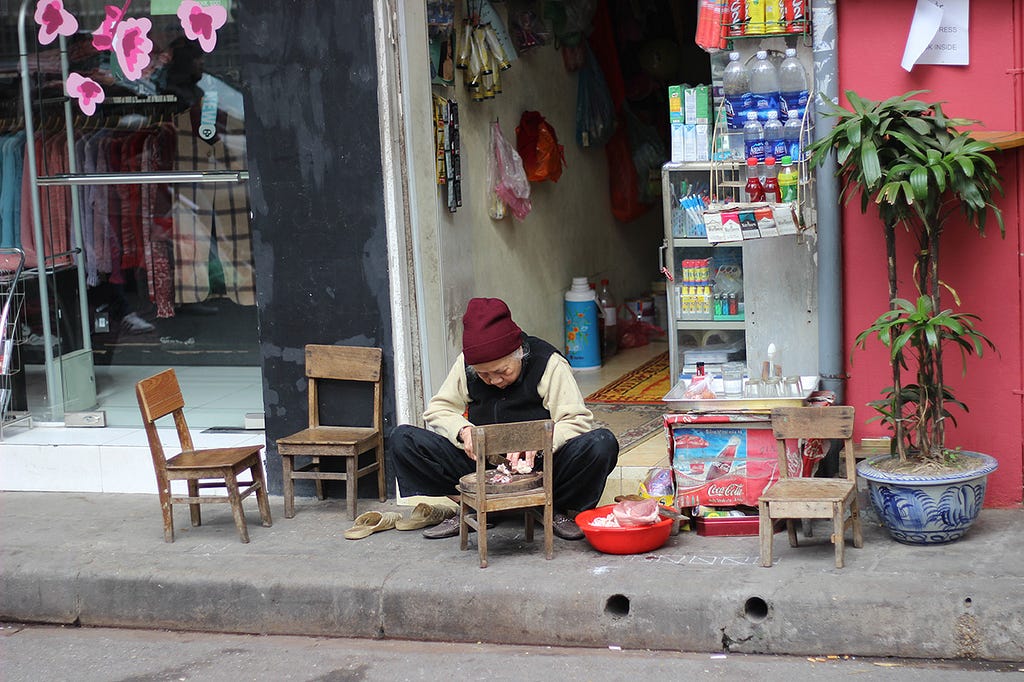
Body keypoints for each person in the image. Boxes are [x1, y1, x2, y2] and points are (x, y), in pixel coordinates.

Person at [391, 297, 619, 540]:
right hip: (484, 467)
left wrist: (540, 441)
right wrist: (464, 432)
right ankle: (476, 507)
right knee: (402, 439)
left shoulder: (548, 363)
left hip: (541, 469)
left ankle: (554, 507)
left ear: (519, 352)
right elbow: (439, 409)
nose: (495, 381)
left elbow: (576, 419)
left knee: (601, 443)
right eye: (484, 375)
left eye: (502, 371)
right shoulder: (466, 365)